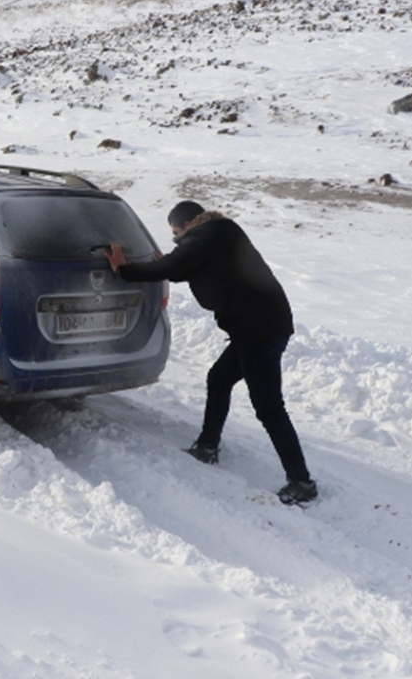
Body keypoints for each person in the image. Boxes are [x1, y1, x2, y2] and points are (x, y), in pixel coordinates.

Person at [104, 200, 317, 505]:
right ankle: (207, 446)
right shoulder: (219, 233)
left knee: (269, 407)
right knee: (218, 379)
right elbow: (188, 267)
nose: (176, 239)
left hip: (259, 331)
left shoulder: (206, 235)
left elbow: (175, 266)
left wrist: (123, 268)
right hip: (258, 327)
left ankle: (302, 481)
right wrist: (171, 261)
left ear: (188, 225)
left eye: (176, 233)